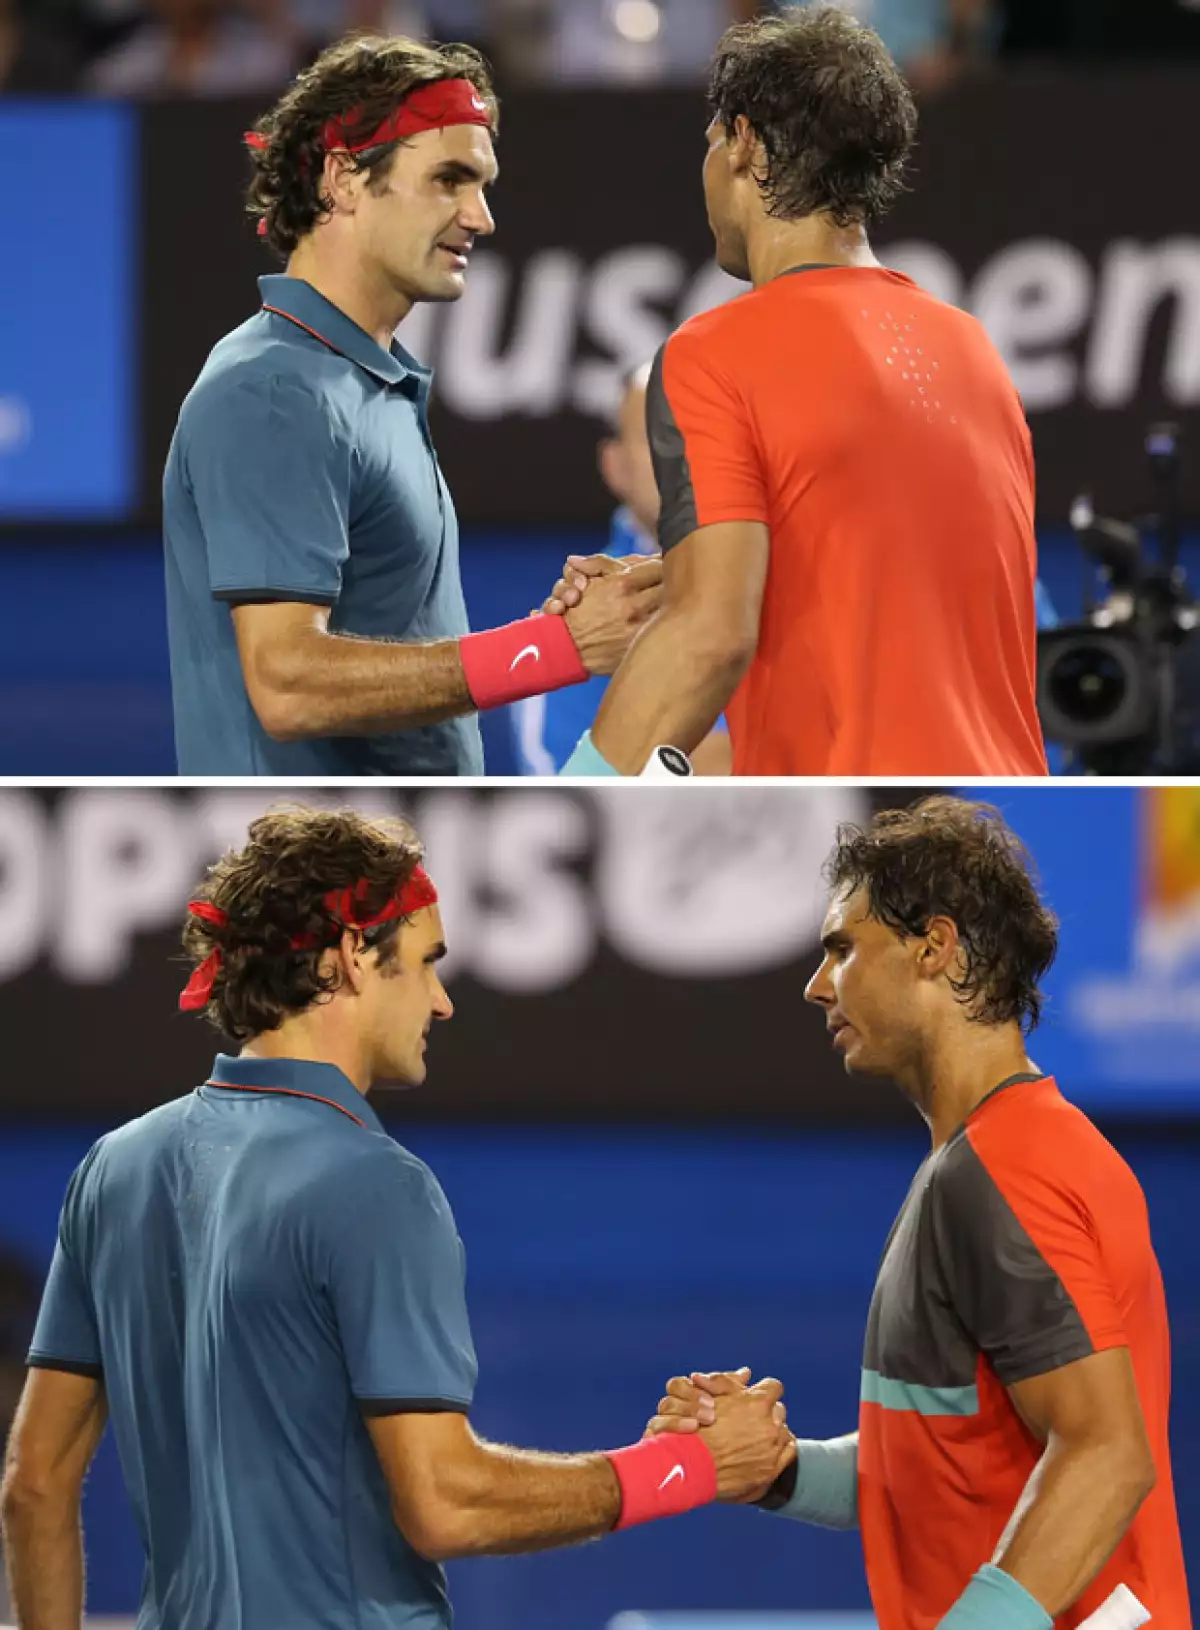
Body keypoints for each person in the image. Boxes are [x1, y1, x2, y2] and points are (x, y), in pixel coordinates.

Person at [0, 805, 794, 1628]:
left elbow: (34, 1484)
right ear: (350, 959)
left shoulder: (112, 1169)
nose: (442, 1002)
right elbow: (445, 1503)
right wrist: (689, 1466)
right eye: (424, 963)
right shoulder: (376, 1184)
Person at [647, 797, 1192, 1630]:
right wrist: (778, 1468)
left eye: (841, 949)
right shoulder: (992, 1157)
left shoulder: (1006, 1167)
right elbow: (951, 1465)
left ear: (934, 948)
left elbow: (1108, 1458)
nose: (816, 985)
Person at [555, 9, 1048, 778]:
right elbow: (869, 570)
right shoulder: (974, 350)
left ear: (745, 143)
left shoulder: (712, 354)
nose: (710, 169)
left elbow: (712, 637)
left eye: (713, 142)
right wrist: (681, 577)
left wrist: (582, 786)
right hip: (1001, 801)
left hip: (851, 811)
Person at [163, 34, 661, 776]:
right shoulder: (273, 390)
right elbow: (287, 684)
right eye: (449, 180)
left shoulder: (356, 382)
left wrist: (551, 631)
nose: (481, 216)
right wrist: (553, 650)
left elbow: (389, 648)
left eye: (482, 184)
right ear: (344, 180)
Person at [513, 364, 731, 775]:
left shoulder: (828, 594)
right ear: (616, 467)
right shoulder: (577, 618)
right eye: (662, 439)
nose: (688, 457)